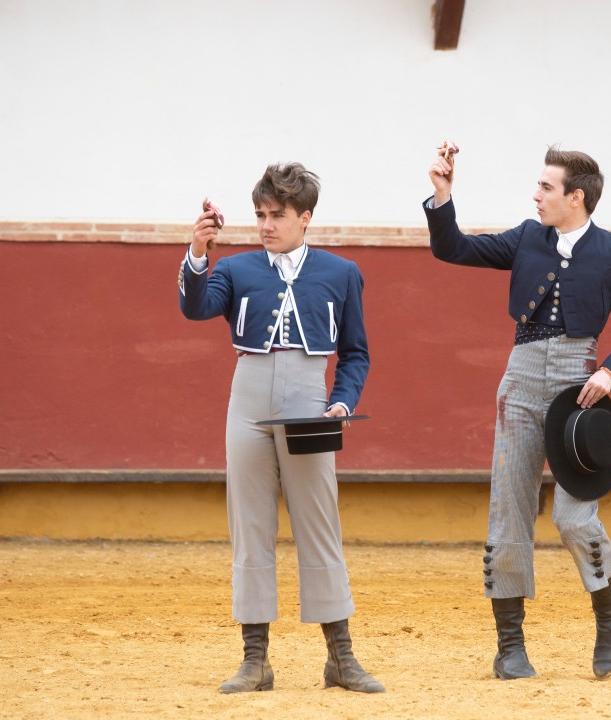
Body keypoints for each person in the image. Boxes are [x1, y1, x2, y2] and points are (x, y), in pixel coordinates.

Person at [424, 144, 611, 680]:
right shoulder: (529, 237)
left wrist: (608, 372)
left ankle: (609, 615)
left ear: (575, 197)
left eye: (546, 187)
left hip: (581, 388)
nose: (536, 195)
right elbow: (454, 248)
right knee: (508, 510)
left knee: (574, 516)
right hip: (522, 382)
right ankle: (510, 645)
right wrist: (443, 196)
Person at [178, 162, 383, 694]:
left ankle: (341, 657)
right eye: (261, 215)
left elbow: (356, 353)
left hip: (309, 400)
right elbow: (195, 307)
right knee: (250, 526)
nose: (266, 225)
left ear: (305, 217)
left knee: (319, 525)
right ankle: (255, 661)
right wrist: (199, 254)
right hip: (246, 397)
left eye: (278, 215)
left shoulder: (340, 273)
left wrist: (341, 403)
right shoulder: (237, 268)